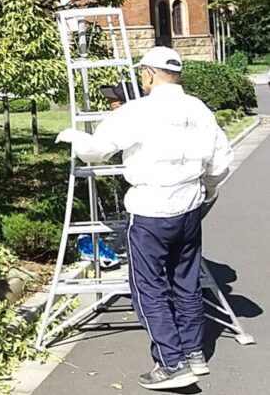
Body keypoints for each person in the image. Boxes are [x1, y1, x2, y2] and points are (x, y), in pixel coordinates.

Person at [57, 46, 234, 391]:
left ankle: (171, 363)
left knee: (148, 288)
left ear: (150, 74)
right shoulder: (198, 109)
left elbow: (97, 150)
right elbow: (221, 162)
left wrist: (75, 136)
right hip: (188, 208)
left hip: (151, 210)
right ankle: (193, 352)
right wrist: (207, 191)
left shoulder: (139, 111)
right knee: (186, 280)